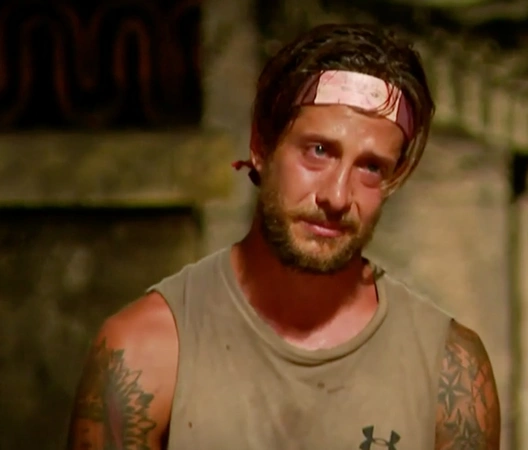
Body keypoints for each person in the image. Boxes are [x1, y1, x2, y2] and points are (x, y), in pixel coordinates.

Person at [66, 23, 500, 450]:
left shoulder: (451, 373)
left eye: (370, 167)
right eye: (318, 151)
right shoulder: (145, 353)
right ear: (261, 145)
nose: (336, 196)